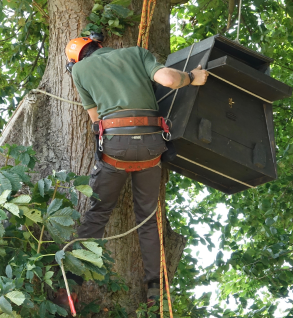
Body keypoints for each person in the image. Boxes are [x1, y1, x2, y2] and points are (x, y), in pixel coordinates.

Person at [62, 34, 208, 305]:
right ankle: (154, 288)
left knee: (98, 214)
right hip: (152, 148)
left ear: (77, 60)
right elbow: (171, 80)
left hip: (115, 149)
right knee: (147, 218)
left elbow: (96, 122)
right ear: (98, 45)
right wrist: (191, 77)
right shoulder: (136, 53)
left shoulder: (80, 71)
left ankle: (72, 283)